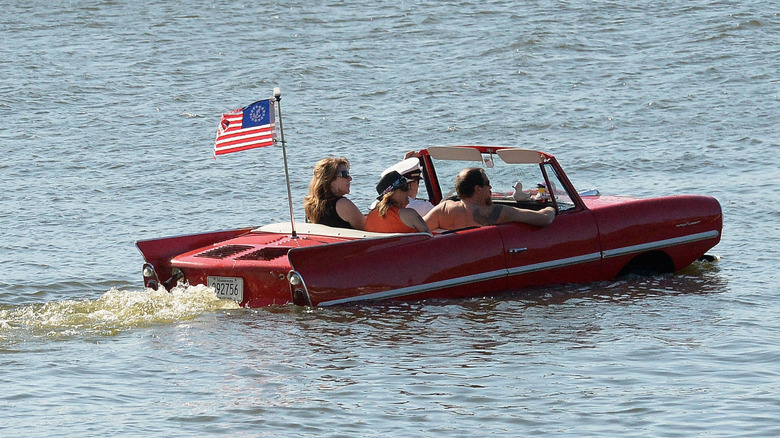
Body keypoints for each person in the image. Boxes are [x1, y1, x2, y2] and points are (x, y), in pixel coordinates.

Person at [423, 167, 555, 231]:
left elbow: (417, 230)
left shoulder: (443, 209)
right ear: (477, 189)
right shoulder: (496, 212)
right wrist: (551, 207)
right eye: (487, 183)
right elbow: (545, 218)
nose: (490, 187)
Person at [303, 157, 366, 230]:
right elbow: (368, 228)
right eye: (344, 174)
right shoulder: (343, 204)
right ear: (331, 180)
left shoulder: (310, 206)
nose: (350, 178)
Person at [370, 152, 434, 216]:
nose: (418, 186)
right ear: (410, 185)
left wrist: (405, 164)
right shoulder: (424, 207)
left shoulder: (375, 206)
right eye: (417, 182)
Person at [365, 171, 430, 233]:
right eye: (404, 187)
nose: (408, 191)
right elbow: (430, 239)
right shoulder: (409, 214)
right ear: (391, 194)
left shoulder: (370, 217)